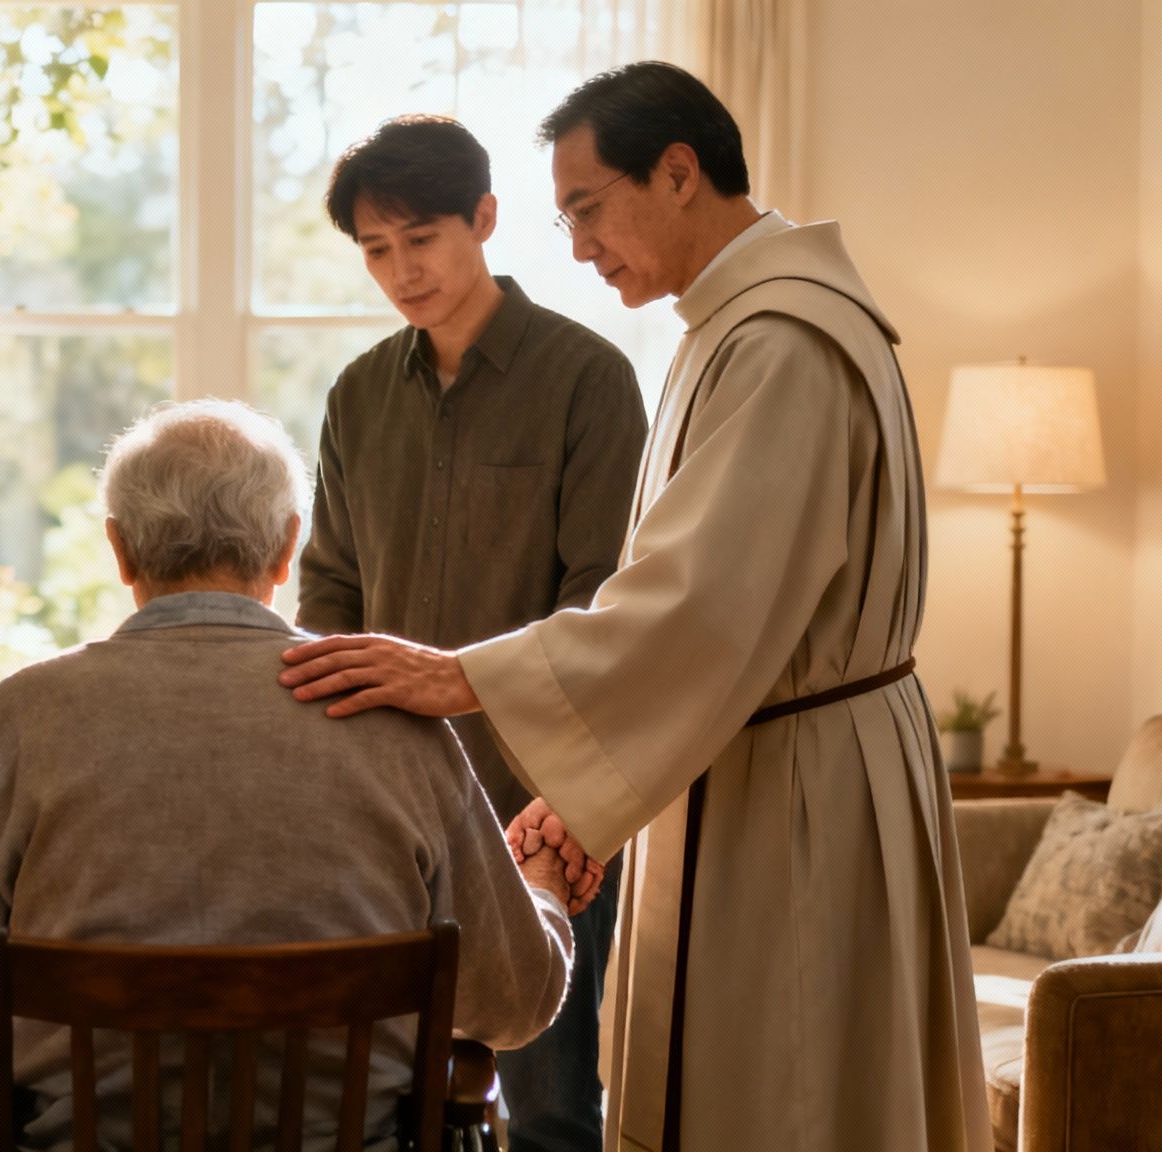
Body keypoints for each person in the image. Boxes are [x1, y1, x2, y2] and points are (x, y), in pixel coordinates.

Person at [278, 62, 989, 1151]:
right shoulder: (734, 327)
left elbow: (686, 605)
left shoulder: (777, 342)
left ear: (675, 172)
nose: (576, 247)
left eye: (587, 209)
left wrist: (462, 681)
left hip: (794, 785)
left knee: (783, 1096)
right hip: (723, 754)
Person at [0, 399, 576, 1149]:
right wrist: (539, 882)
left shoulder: (23, 720)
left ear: (118, 549)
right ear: (290, 547)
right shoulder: (393, 722)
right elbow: (515, 1000)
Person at [299, 113, 647, 1152]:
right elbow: (328, 586)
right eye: (374, 250)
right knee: (391, 1091)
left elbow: (605, 603)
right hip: (388, 807)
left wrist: (560, 795)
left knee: (549, 1105)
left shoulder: (587, 380)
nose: (400, 271)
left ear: (483, 219)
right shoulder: (357, 396)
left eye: (420, 238)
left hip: (540, 810)